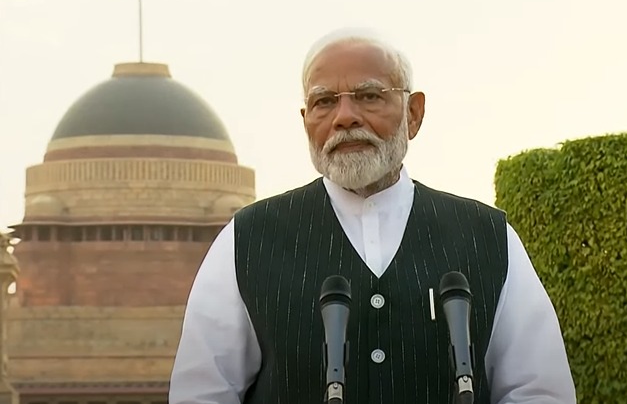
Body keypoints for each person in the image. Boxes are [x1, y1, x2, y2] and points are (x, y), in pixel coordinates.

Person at [169, 28, 577, 404]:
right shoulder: (248, 240)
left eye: (369, 96)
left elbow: (539, 390)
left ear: (413, 114)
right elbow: (202, 392)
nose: (344, 117)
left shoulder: (487, 237)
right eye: (324, 101)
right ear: (305, 121)